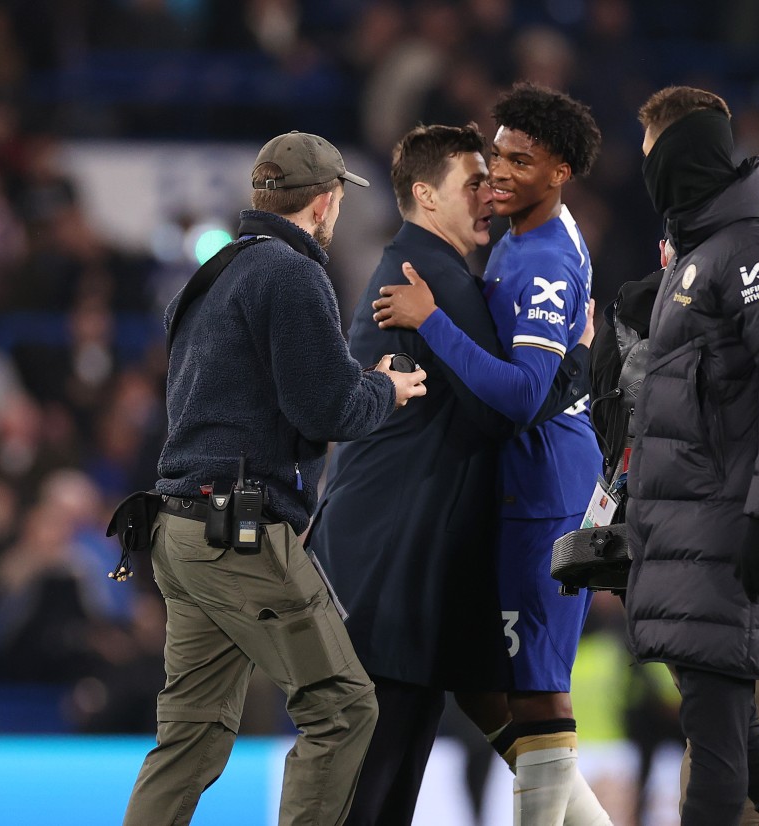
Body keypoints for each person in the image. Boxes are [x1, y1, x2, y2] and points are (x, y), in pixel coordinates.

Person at [121, 131, 427, 826]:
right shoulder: (291, 273)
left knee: (190, 736)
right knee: (345, 708)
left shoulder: (216, 271)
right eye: (341, 198)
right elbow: (327, 408)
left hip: (181, 528)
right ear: (324, 204)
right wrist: (385, 389)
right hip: (239, 534)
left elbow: (256, 395)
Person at [306, 122, 591, 826]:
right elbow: (509, 410)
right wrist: (579, 358)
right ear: (428, 197)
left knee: (386, 781)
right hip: (393, 573)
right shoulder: (432, 280)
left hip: (396, 569)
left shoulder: (424, 269)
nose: (489, 195)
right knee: (372, 789)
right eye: (473, 183)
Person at [373, 82, 612, 825]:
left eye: (517, 160)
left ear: (559, 172)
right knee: (481, 677)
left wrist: (433, 322)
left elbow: (516, 396)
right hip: (529, 482)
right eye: (494, 158)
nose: (499, 174)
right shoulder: (522, 238)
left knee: (536, 686)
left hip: (543, 487)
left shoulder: (540, 261)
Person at [623, 85, 759, 825]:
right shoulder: (702, 251)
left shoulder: (748, 248)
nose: (645, 170)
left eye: (652, 153)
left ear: (681, 158)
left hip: (727, 542)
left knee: (720, 758)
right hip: (698, 542)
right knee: (742, 748)